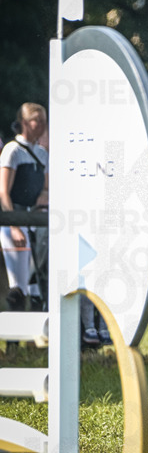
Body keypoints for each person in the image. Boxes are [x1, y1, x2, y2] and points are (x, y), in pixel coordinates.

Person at [1, 103, 48, 313]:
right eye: (37, 120)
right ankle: (12, 343)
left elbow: (46, 188)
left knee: (36, 283)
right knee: (18, 286)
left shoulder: (42, 153)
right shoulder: (13, 150)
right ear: (24, 123)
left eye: (43, 121)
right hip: (14, 220)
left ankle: (37, 338)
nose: (41, 125)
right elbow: (3, 191)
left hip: (36, 221)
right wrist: (14, 225)